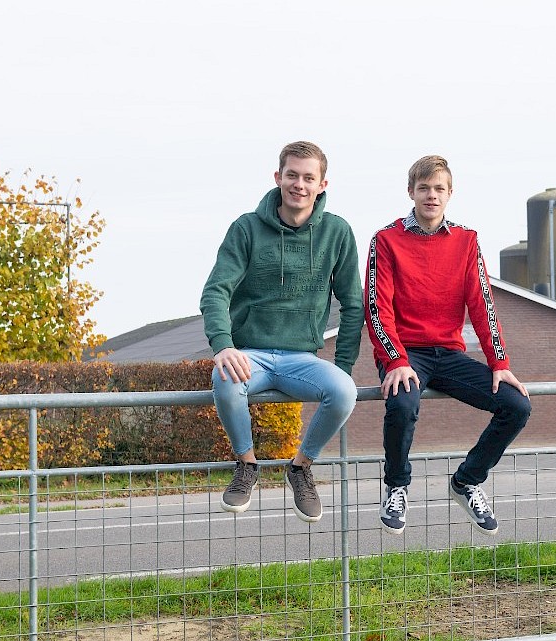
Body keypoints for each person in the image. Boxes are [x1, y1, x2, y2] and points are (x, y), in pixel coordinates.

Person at [364, 154, 531, 536]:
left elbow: (482, 305)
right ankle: (396, 485)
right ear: (411, 192)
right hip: (406, 355)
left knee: (516, 405)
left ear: (450, 193)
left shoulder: (467, 241)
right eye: (423, 188)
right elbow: (376, 307)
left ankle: (467, 481)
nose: (431, 195)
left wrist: (499, 362)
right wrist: (395, 361)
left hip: (449, 354)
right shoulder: (386, 240)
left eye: (439, 188)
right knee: (403, 403)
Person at [200, 140, 363, 522]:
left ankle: (301, 467)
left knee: (344, 391)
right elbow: (215, 291)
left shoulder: (337, 233)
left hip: (301, 357)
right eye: (292, 175)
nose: (299, 185)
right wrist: (223, 346)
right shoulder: (246, 228)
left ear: (323, 184)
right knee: (224, 379)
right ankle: (247, 465)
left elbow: (353, 304)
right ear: (278, 177)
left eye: (309, 177)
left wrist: (343, 364)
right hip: (250, 354)